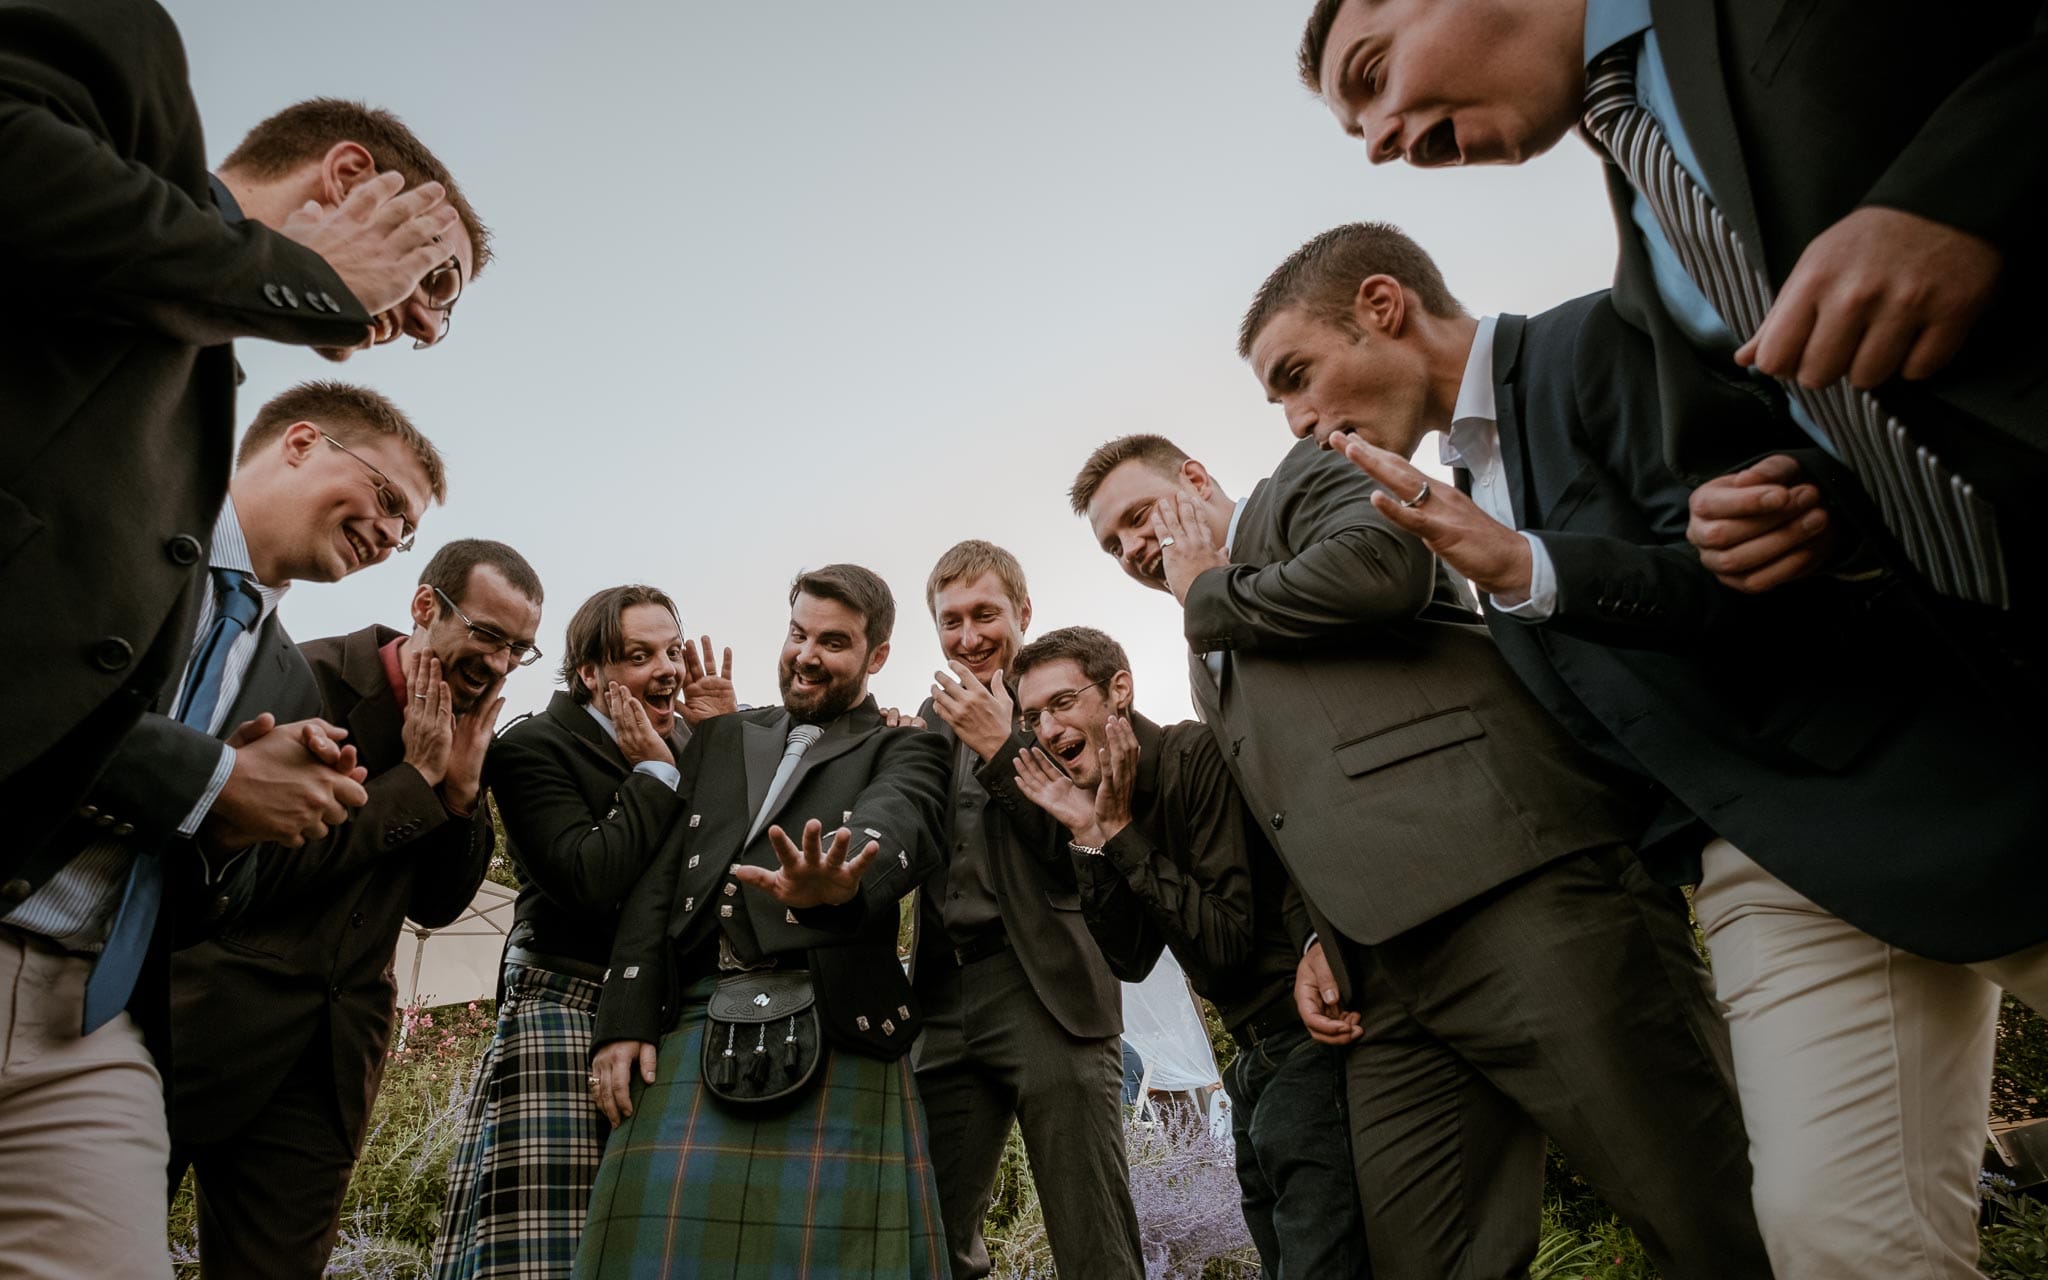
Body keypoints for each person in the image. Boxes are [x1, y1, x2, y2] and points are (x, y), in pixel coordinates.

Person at [1246, 219, 2048, 1278]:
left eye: (1297, 374)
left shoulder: (1599, 345)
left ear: (1382, 306)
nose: (1300, 420)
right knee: (1834, 1239)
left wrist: (1532, 564)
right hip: (1749, 875)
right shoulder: (1460, 495)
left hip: (1918, 793)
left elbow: (1794, 555)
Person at [1069, 433, 1771, 1280]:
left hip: (1516, 895)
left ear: (1194, 477)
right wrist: (1312, 935)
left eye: (1140, 518)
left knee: (1701, 1203)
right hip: (1380, 981)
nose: (1135, 549)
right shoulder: (1201, 656)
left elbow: (1385, 567)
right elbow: (1285, 810)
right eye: (1113, 546)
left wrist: (1206, 589)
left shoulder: (1300, 483)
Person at [1293, 0, 2046, 651]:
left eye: (1373, 72)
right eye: (1360, 134)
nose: (1379, 145)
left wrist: (1960, 198)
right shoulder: (1645, 263)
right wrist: (1808, 496)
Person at [3, 0, 486, 865]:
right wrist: (290, 272)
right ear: (346, 176)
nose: (420, 324)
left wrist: (221, 782)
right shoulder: (127, 64)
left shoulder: (197, 381)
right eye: (436, 277)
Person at [0, 378, 445, 1274]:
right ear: (301, 442)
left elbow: (208, 899)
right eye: (389, 499)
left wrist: (236, 833)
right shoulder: (98, 514)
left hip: (92, 1026)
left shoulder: (287, 685)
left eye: (407, 533)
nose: (392, 538)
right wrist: (213, 778)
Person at [168, 539, 542, 1278]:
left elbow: (437, 906)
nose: (499, 663)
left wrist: (461, 798)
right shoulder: (307, 679)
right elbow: (255, 872)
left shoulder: (470, 733)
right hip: (201, 1028)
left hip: (330, 1066)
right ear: (426, 606)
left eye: (520, 649)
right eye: (489, 635)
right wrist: (415, 778)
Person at [580, 565, 952, 1278]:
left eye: (834, 642)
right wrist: (622, 1016)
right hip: (689, 1017)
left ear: (876, 657)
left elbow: (900, 820)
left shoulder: (905, 746)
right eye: (798, 633)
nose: (807, 654)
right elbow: (658, 880)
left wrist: (844, 882)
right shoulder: (723, 736)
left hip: (834, 1017)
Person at [1007, 626, 1371, 1280]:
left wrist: (1118, 832)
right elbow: (1130, 958)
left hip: (1308, 1052)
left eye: (1062, 702)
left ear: (1119, 688)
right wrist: (1091, 837)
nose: (1045, 727)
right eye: (1031, 716)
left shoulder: (1194, 757)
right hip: (1251, 1066)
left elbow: (1224, 948)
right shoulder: (1102, 804)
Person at [430, 586, 732, 1280]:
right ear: (591, 672)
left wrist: (721, 739)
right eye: (640, 655)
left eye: (673, 650)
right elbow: (589, 877)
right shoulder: (533, 747)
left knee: (652, 1248)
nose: (669, 669)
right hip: (561, 1004)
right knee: (541, 1255)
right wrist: (655, 772)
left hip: (668, 1017)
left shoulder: (691, 742)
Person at [911, 541, 1143, 1280]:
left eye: (986, 614)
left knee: (1091, 1238)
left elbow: (1076, 843)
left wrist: (1001, 744)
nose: (969, 636)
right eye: (952, 621)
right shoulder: (925, 720)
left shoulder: (1060, 705)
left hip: (1045, 986)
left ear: (1023, 613)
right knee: (926, 1235)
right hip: (943, 998)